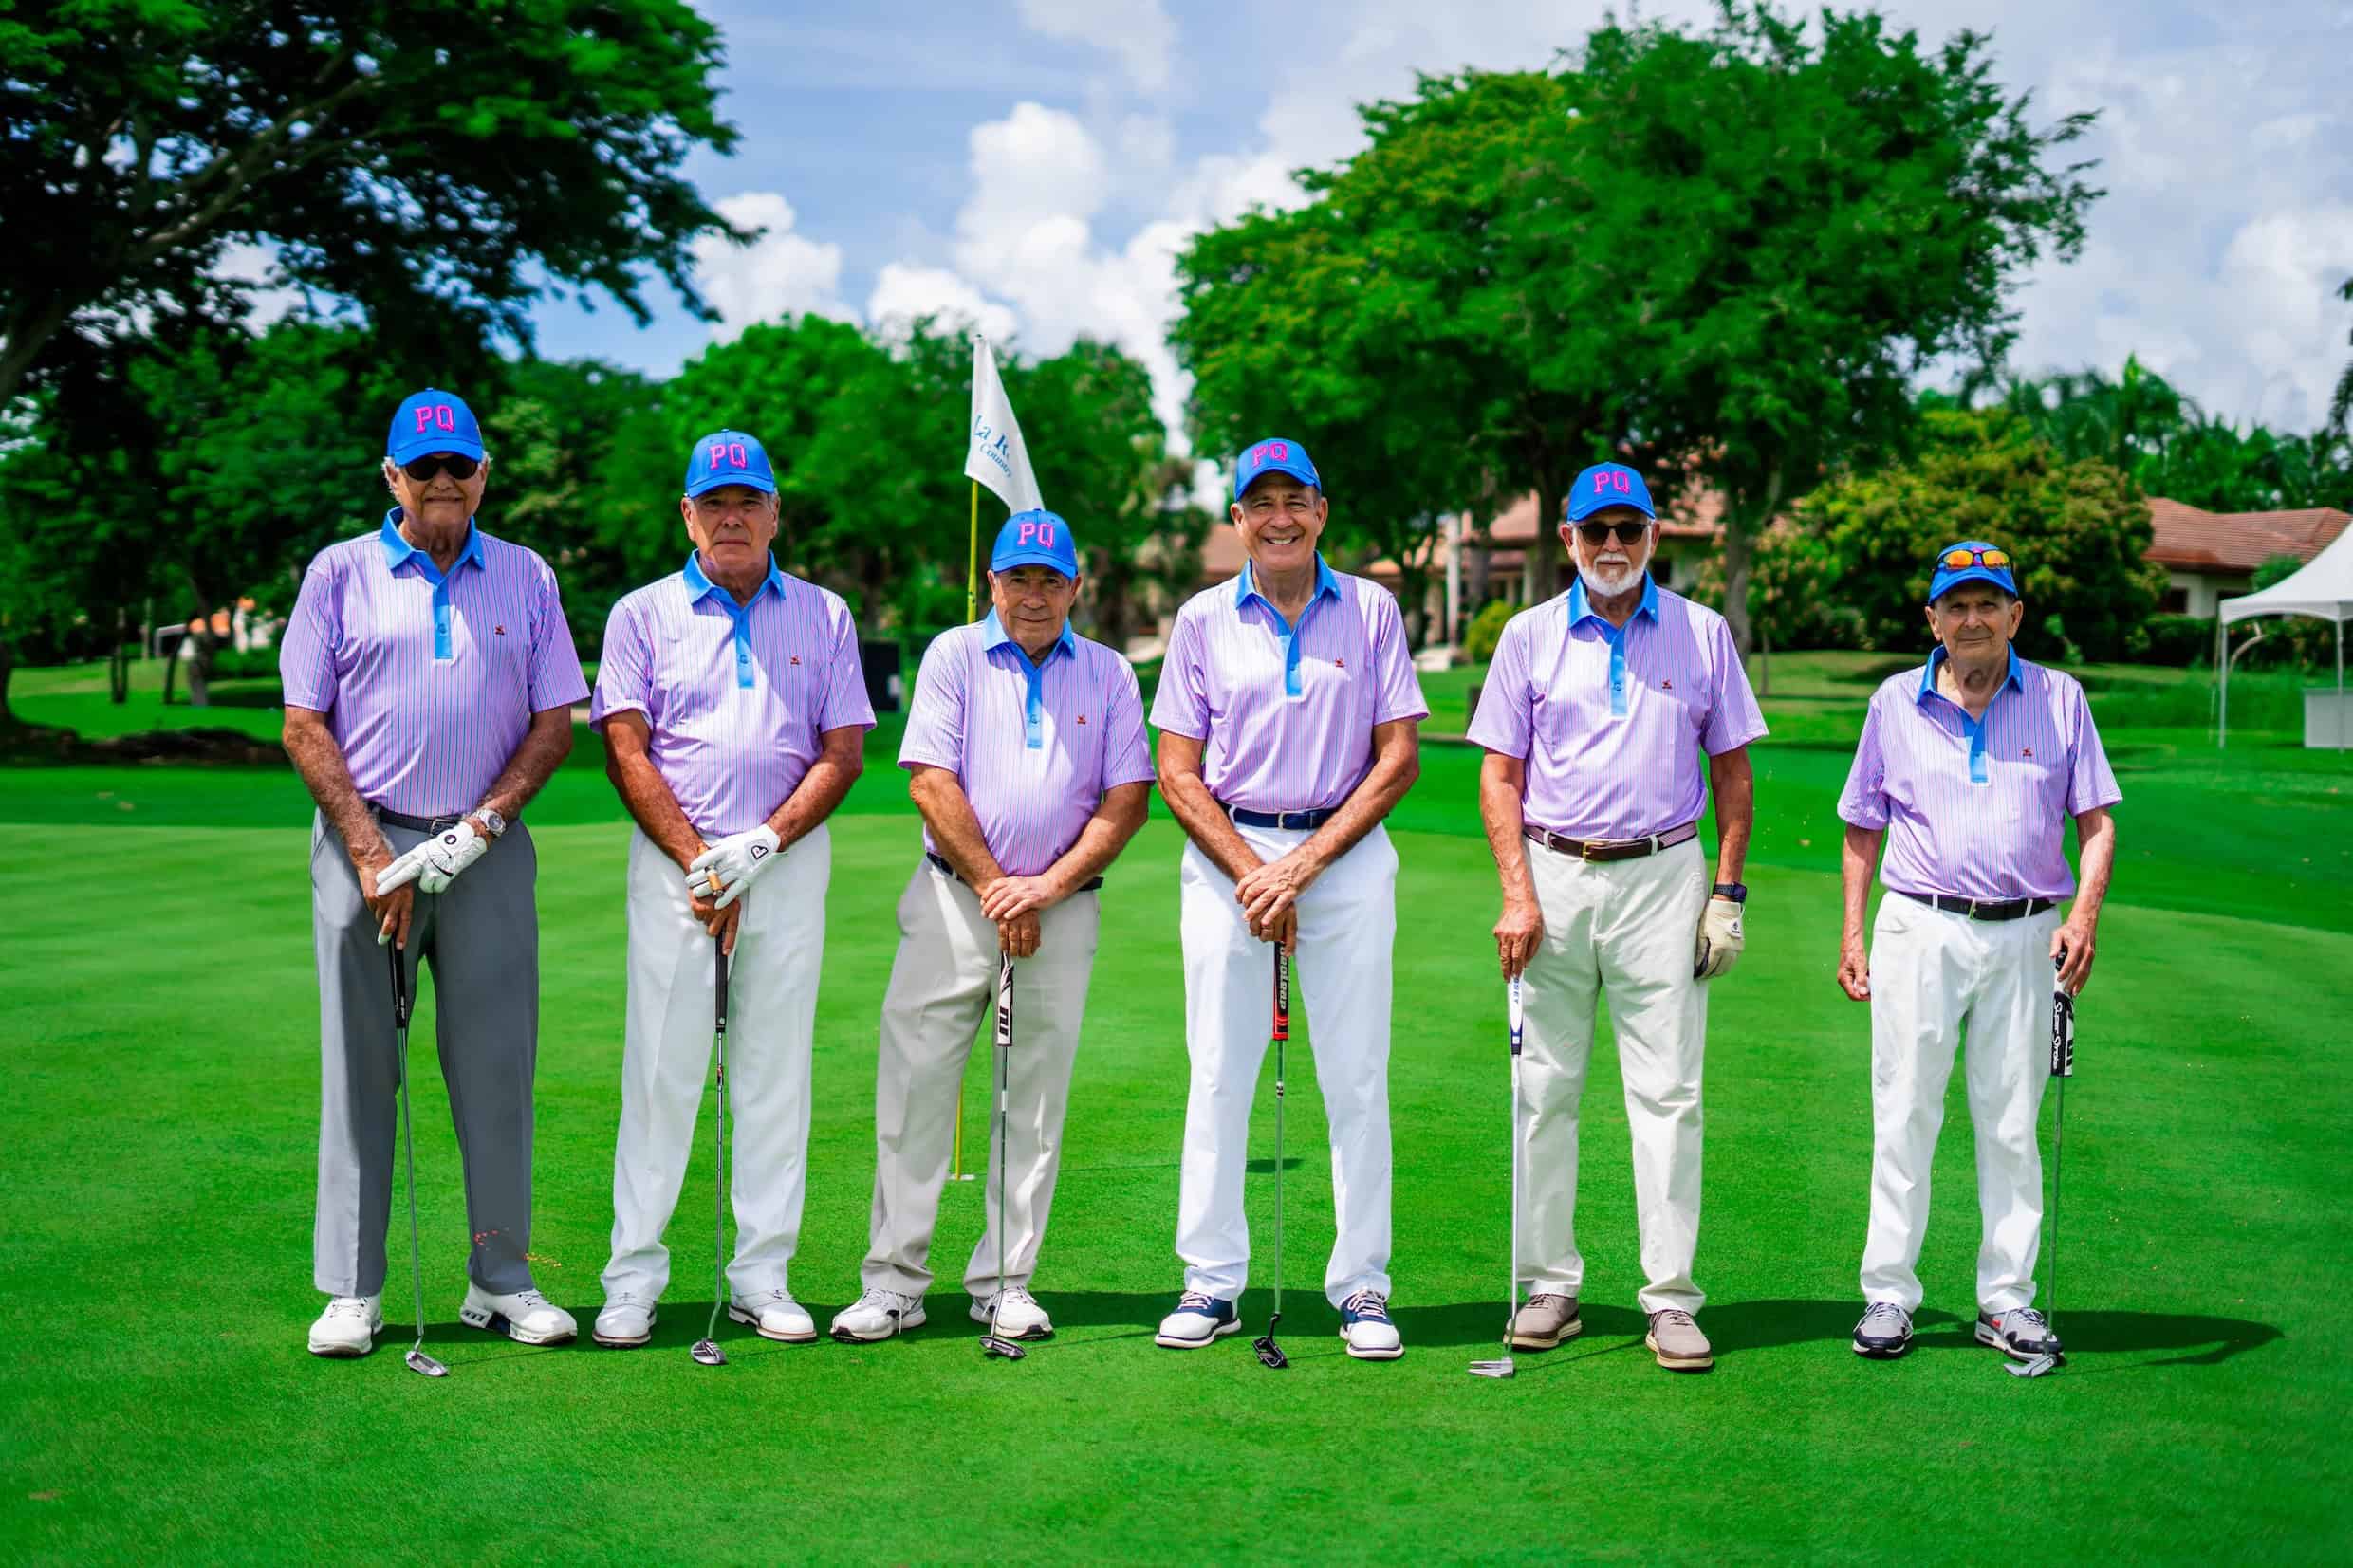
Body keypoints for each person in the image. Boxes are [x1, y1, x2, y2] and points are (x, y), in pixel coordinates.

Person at [281, 387, 588, 1357]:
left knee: (497, 1069)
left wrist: (483, 826)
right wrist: (374, 852)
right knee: (361, 1068)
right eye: (425, 469)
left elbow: (554, 723)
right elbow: (303, 721)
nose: (444, 483)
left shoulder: (529, 577)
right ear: (392, 478)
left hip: (484, 853)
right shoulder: (338, 574)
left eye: (461, 467)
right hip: (364, 849)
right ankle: (353, 1290)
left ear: (485, 475)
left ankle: (499, 1276)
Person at [1467, 460, 1765, 1374]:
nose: (1610, 546)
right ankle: (1549, 1284)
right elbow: (1499, 775)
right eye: (1594, 531)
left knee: (1669, 1093)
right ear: (1567, 539)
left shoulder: (1704, 634)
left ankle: (1671, 1297)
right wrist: (1517, 892)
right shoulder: (1527, 636)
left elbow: (1734, 775)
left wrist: (1726, 892)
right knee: (1543, 1089)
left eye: (1627, 530)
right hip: (1554, 878)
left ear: (1652, 538)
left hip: (1665, 875)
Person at [829, 510, 1154, 1344]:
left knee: (1034, 1103)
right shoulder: (953, 655)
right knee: (915, 1090)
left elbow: (1127, 801)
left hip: (1062, 910)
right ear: (993, 585)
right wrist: (998, 885)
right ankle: (893, 1282)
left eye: (1051, 581)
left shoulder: (1111, 672)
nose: (1034, 597)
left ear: (1076, 587)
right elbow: (931, 782)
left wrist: (1042, 886)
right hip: (951, 904)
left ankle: (1007, 1279)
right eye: (1019, 580)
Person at [586, 430, 874, 1349]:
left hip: (786, 864)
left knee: (772, 1075)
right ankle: (632, 1276)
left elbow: (843, 751)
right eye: (714, 504)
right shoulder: (642, 613)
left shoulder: (823, 614)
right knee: (661, 1074)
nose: (732, 518)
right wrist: (700, 860)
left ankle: (761, 1274)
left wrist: (760, 844)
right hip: (674, 871)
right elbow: (625, 746)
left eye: (747, 502)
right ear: (687, 515)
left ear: (774, 513)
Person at [1149, 437, 1428, 1360]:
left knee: (1353, 1076)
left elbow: (1396, 758)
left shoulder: (1374, 609)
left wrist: (1299, 866)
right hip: (1227, 855)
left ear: (1321, 509)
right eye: (1258, 502)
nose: (1278, 517)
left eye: (1294, 500)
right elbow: (1176, 772)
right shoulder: (1198, 619)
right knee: (1221, 1073)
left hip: (1338, 856)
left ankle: (1361, 1286)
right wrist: (1249, 870)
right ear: (1234, 518)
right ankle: (1211, 1282)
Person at [1836, 540, 2119, 1364]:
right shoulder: (1894, 702)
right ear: (1932, 619)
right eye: (1955, 605)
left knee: (2009, 1121)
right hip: (1919, 924)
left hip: (2030, 931)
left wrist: (2086, 917)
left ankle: (2007, 1300)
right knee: (1905, 1112)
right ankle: (1889, 1294)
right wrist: (1853, 932)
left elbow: (2096, 820)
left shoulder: (2061, 699)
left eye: (1988, 603)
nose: (1972, 618)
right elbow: (1862, 823)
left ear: (2014, 615)